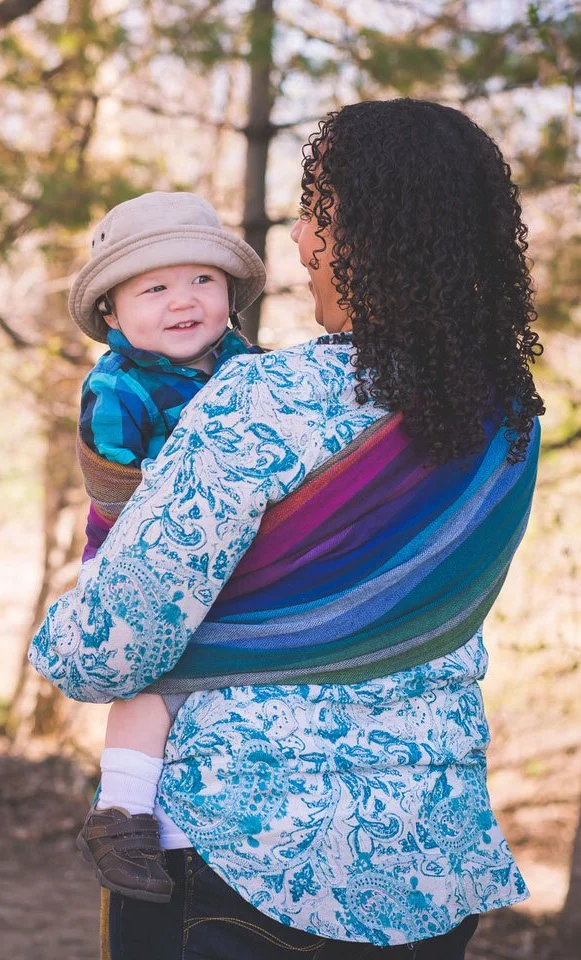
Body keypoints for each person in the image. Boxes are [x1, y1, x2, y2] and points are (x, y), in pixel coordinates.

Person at [31, 99, 545, 958]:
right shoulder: (506, 422)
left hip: (248, 855)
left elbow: (103, 653)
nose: (301, 242)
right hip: (431, 864)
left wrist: (71, 623)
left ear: (380, 238)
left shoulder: (263, 400)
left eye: (322, 217)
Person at [68, 191, 265, 902]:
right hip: (139, 548)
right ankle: (120, 811)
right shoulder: (118, 387)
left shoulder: (249, 367)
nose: (183, 300)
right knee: (154, 677)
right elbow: (125, 496)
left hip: (237, 552)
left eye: (202, 281)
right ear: (113, 315)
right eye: (155, 287)